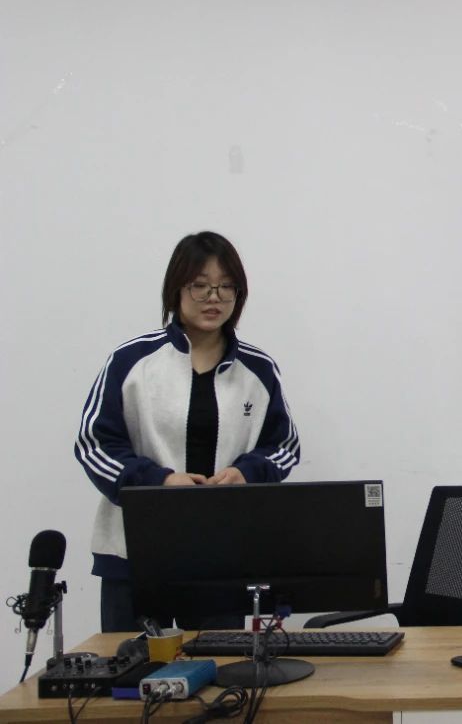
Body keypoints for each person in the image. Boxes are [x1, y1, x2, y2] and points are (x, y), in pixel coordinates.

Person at [75, 231, 301, 632]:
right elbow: (95, 445)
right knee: (130, 667)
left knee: (223, 667)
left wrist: (247, 472)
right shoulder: (132, 361)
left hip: (221, 558)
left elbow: (283, 445)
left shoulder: (258, 370)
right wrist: (158, 482)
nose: (214, 298)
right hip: (134, 555)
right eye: (200, 285)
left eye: (226, 286)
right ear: (176, 289)